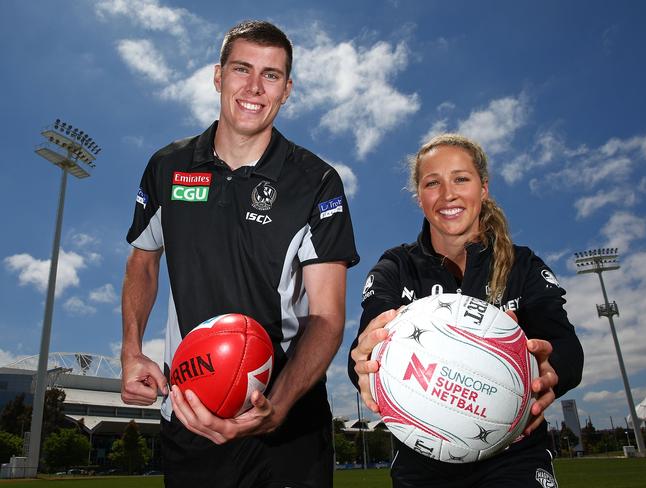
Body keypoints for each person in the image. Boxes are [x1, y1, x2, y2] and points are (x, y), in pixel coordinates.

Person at [121, 20, 359, 488]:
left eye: (271, 75)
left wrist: (280, 407)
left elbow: (328, 318)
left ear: (287, 90)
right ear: (218, 76)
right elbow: (143, 261)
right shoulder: (167, 166)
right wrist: (131, 350)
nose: (254, 87)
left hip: (287, 420)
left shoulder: (317, 181)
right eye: (241, 69)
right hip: (191, 414)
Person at [349, 133, 583, 487]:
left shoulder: (523, 265)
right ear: (419, 198)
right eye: (433, 183)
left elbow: (566, 347)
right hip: (422, 463)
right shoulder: (395, 266)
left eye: (461, 178)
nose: (448, 194)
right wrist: (363, 362)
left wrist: (551, 369)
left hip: (514, 455)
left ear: (483, 188)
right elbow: (367, 345)